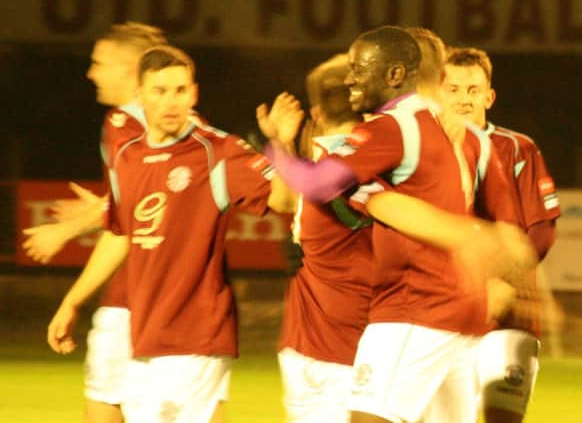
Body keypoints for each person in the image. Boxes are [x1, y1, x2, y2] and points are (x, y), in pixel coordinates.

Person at [265, 26, 526, 423]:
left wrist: (277, 146)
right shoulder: (470, 137)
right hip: (465, 315)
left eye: (359, 69)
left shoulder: (391, 129)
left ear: (394, 74)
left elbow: (315, 184)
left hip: (414, 308)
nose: (352, 78)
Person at [45, 45, 291, 422]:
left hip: (198, 334)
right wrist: (73, 300)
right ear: (140, 95)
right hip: (145, 334)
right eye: (160, 91)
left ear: (193, 93)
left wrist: (283, 146)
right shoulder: (127, 156)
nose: (171, 101)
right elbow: (121, 232)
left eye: (179, 91)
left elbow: (286, 203)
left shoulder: (217, 152)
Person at [25, 22, 167, 423]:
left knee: (103, 410)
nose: (91, 73)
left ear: (130, 69)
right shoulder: (183, 124)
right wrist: (100, 209)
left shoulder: (124, 122)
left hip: (134, 298)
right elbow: (150, 196)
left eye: (99, 63)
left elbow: (135, 206)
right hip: (175, 303)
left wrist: (68, 229)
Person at [441, 46, 561, 423]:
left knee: (501, 418)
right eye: (454, 89)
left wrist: (504, 282)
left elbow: (540, 230)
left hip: (509, 315)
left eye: (473, 90)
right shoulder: (423, 150)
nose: (464, 99)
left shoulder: (517, 148)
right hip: (442, 313)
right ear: (437, 91)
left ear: (489, 96)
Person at [258, 54, 371, 423]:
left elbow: (281, 199)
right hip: (361, 344)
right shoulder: (384, 164)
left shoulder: (315, 173)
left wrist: (279, 144)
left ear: (317, 113)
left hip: (305, 345)